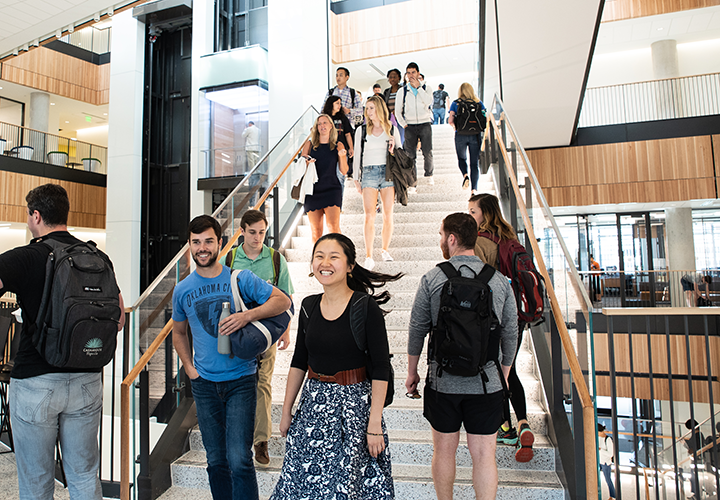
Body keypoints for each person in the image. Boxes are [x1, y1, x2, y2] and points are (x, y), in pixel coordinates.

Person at [0, 183, 125, 499]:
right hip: (87, 380)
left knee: (37, 481)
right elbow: (119, 317)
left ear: (36, 215)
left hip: (36, 381)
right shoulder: (96, 256)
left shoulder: (27, 256)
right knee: (84, 476)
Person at [271, 233, 400, 499]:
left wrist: (374, 424)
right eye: (319, 256)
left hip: (354, 412)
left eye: (334, 256)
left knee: (347, 489)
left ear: (350, 265)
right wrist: (286, 411)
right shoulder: (308, 306)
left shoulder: (365, 308)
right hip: (312, 410)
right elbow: (299, 361)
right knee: (302, 487)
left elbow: (380, 368)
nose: (324, 262)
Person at [172, 215, 291, 500]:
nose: (202, 247)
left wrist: (246, 316)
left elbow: (283, 301)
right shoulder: (182, 289)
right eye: (196, 242)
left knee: (239, 459)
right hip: (204, 384)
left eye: (208, 241)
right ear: (189, 245)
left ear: (220, 244)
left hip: (241, 380)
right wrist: (189, 369)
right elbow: (178, 334)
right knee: (216, 461)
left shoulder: (240, 278)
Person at [406, 213, 518, 500]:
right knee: (484, 455)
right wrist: (503, 373)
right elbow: (510, 333)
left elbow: (417, 328)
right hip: (486, 382)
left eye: (441, 235)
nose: (440, 240)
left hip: (443, 382)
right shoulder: (499, 281)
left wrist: (412, 372)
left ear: (452, 239)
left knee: (444, 450)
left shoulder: (432, 278)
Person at [468, 193, 535, 463]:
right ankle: (522, 422)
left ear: (485, 213)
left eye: (473, 211)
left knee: (495, 373)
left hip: (492, 319)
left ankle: (505, 427)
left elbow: (476, 282)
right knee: (510, 369)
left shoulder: (481, 242)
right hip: (516, 316)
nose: (470, 216)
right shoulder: (510, 239)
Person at [226, 209, 295, 466]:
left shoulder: (276, 260)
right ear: (242, 231)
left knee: (263, 383)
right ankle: (239, 437)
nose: (257, 238)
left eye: (262, 233)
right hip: (238, 331)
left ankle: (261, 441)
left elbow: (287, 298)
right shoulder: (231, 258)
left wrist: (286, 329)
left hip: (267, 332)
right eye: (252, 232)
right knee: (238, 382)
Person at [353, 96, 403, 271]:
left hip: (388, 173)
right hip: (368, 173)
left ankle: (385, 250)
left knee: (388, 214)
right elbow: (358, 154)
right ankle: (368, 255)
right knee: (369, 215)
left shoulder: (391, 130)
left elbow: (400, 156)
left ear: (380, 109)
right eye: (367, 108)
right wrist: (355, 178)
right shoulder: (361, 131)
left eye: (372, 108)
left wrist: (392, 149)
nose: (369, 111)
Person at [300, 114, 349, 243]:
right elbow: (300, 166)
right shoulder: (309, 145)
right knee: (316, 231)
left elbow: (344, 171)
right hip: (313, 191)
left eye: (325, 123)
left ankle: (340, 258)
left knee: (333, 228)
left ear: (331, 126)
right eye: (319, 123)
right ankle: (317, 262)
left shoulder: (338, 145)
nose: (322, 126)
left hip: (332, 189)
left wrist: (342, 156)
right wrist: (307, 162)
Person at [395, 62, 434, 191]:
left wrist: (419, 88)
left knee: (427, 151)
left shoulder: (426, 88)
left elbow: (428, 102)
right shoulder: (403, 91)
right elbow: (397, 110)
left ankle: (429, 174)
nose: (411, 75)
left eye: (413, 72)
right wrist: (404, 124)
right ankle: (412, 183)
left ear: (418, 73)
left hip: (425, 123)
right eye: (408, 73)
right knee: (410, 155)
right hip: (410, 125)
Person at [448, 83, 487, 194]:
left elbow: (450, 121)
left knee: (462, 159)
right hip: (475, 135)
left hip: (460, 134)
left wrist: (456, 126)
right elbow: (484, 118)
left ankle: (465, 175)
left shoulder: (456, 103)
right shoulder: (479, 103)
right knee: (474, 164)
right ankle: (474, 190)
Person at [322, 95, 355, 178]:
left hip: (342, 150)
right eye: (337, 103)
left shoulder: (343, 118)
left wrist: (351, 148)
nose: (340, 105)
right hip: (328, 150)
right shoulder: (324, 118)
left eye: (340, 103)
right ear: (331, 104)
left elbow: (348, 134)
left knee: (341, 176)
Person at [383, 68, 404, 143]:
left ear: (399, 78)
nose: (392, 79)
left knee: (400, 138)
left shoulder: (403, 89)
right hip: (390, 118)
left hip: (401, 117)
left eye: (394, 77)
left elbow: (405, 103)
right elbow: (384, 104)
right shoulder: (386, 91)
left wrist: (397, 111)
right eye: (390, 77)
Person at [598, 424, 616, 500]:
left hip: (605, 462)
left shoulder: (608, 439)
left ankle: (613, 496)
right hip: (598, 461)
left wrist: (600, 450)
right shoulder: (597, 438)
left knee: (608, 479)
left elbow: (610, 454)